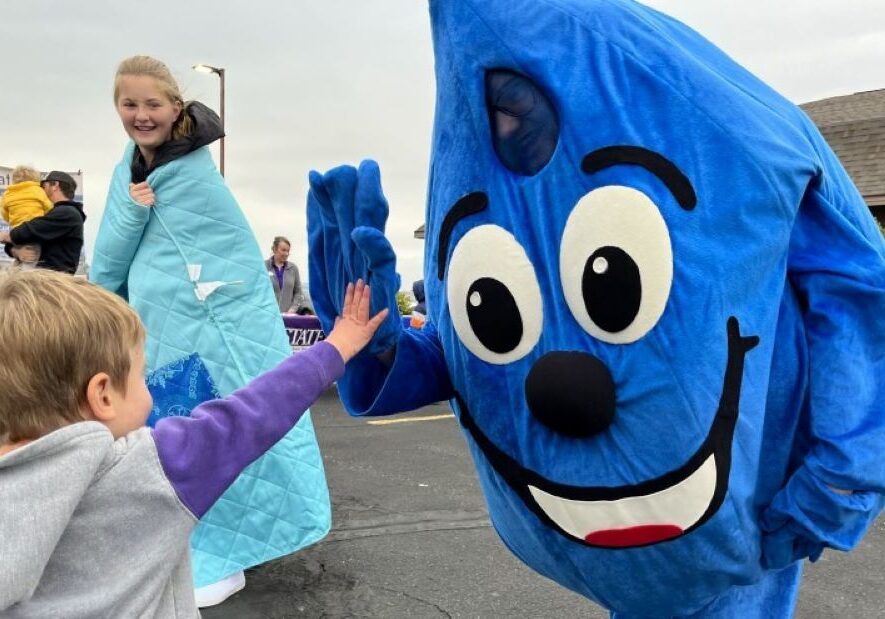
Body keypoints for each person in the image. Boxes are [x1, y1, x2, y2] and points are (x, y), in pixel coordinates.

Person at [0, 269, 387, 617]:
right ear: (102, 395)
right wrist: (338, 346)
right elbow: (255, 411)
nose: (148, 383)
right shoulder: (148, 466)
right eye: (140, 374)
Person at [89, 55, 330, 607]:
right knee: (181, 441)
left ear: (176, 108)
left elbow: (232, 262)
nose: (141, 114)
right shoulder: (129, 172)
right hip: (159, 333)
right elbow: (107, 263)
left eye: (153, 104)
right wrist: (132, 209)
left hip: (211, 337)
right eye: (130, 104)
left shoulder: (192, 175)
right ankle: (208, 555)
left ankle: (221, 559)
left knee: (215, 435)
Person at [0, 170, 84, 274]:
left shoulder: (68, 213)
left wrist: (6, 236)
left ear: (55, 186)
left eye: (44, 185)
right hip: (41, 279)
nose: (41, 188)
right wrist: (16, 251)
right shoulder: (52, 213)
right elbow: (29, 236)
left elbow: (31, 230)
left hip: (52, 283)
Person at [0, 166, 53, 267]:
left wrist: (13, 221)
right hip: (34, 230)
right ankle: (24, 277)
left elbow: (4, 214)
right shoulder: (39, 191)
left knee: (20, 254)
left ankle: (16, 274)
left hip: (16, 231)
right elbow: (49, 208)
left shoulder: (7, 194)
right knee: (31, 259)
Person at [265, 235, 307, 313]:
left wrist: (293, 309)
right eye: (283, 250)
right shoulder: (264, 267)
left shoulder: (293, 268)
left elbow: (298, 293)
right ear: (274, 249)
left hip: (288, 317)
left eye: (288, 251)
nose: (286, 253)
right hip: (268, 315)